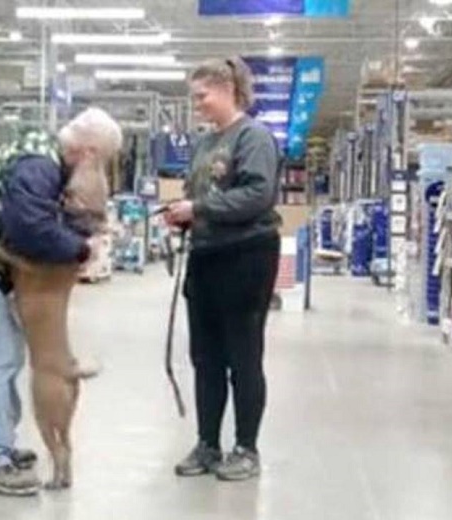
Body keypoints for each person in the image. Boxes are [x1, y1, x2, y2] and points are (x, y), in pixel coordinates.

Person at [0, 107, 122, 496]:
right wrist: (81, 250)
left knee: (9, 355)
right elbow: (29, 229)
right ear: (90, 153)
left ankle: (0, 443)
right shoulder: (38, 167)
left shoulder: (41, 154)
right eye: (105, 161)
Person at [163, 57, 282, 482]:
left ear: (229, 89)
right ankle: (208, 443)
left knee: (243, 356)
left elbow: (257, 196)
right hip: (206, 255)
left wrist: (198, 208)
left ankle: (246, 448)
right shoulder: (205, 144)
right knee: (205, 357)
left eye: (202, 96)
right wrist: (182, 213)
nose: (197, 105)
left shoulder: (254, 138)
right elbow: (201, 192)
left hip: (246, 257)